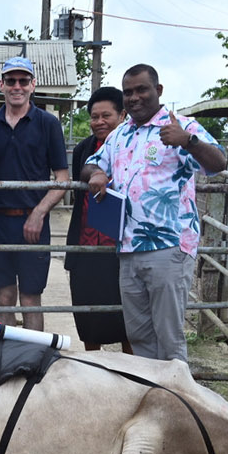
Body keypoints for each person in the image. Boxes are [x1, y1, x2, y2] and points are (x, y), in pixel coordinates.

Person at [83, 64, 227, 362]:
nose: (134, 97)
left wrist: (187, 140)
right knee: (139, 336)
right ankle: (152, 400)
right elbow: (91, 163)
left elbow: (218, 163)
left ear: (158, 91)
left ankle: (178, 403)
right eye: (128, 92)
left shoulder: (181, 126)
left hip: (169, 248)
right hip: (128, 247)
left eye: (141, 90)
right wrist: (96, 173)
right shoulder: (120, 134)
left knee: (169, 338)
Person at [0, 56, 68, 332]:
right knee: (3, 298)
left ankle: (34, 364)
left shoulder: (47, 124)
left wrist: (39, 213)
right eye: (11, 80)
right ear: (1, 85)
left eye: (23, 80)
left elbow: (63, 178)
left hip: (34, 222)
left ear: (33, 85)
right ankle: (4, 363)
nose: (17, 86)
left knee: (31, 298)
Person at [66, 86, 133, 352]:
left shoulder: (132, 147)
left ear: (122, 115)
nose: (99, 122)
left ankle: (132, 376)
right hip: (86, 243)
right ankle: (94, 373)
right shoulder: (83, 149)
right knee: (87, 315)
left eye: (107, 115)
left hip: (120, 246)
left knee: (127, 317)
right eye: (94, 117)